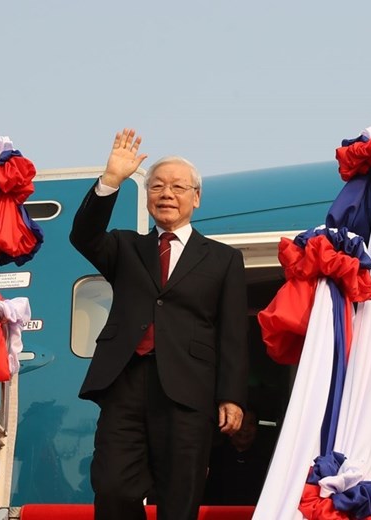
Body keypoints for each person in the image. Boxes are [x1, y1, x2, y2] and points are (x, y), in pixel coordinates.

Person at [70, 128, 248, 520]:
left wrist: (231, 395)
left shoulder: (223, 260)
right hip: (125, 383)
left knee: (179, 498)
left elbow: (234, 334)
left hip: (188, 391)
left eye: (178, 187)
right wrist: (111, 180)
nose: (167, 193)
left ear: (196, 197)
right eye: (158, 186)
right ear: (148, 195)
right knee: (113, 487)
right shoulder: (125, 247)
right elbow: (83, 235)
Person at [203, 410, 271, 505]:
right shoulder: (212, 457)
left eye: (251, 423)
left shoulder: (266, 464)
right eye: (241, 421)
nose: (245, 428)